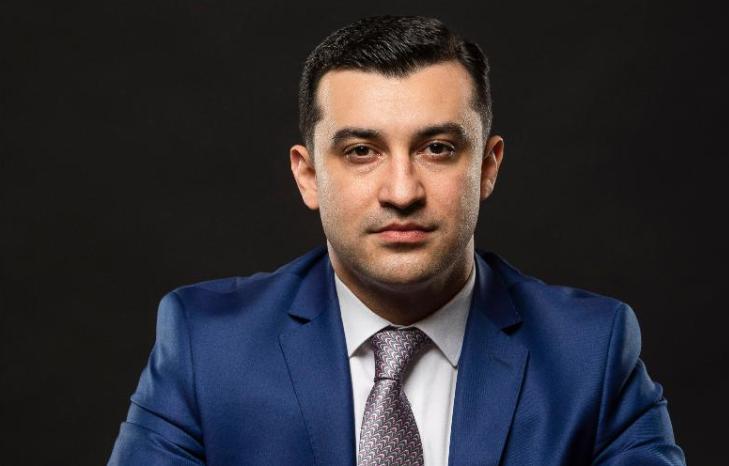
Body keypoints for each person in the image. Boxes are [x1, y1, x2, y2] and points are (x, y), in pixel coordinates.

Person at [108, 15, 686, 466]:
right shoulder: (206, 345)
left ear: (487, 167)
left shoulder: (592, 352)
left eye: (438, 148)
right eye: (362, 151)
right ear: (308, 175)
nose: (402, 191)